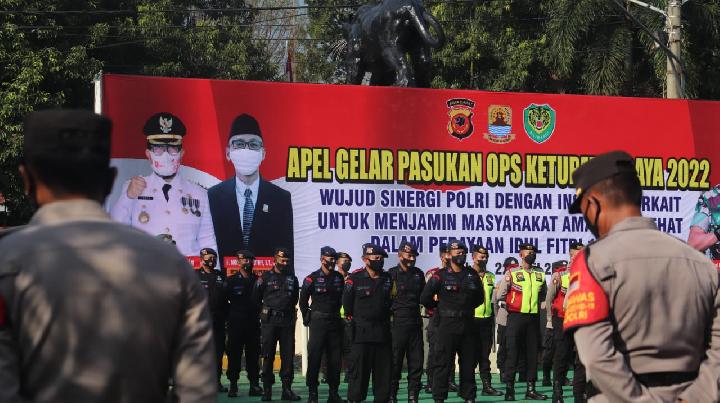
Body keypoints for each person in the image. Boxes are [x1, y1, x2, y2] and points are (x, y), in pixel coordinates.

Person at [0, 109, 216, 403]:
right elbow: (197, 392)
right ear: (112, 179)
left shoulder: (7, 263)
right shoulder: (172, 267)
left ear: (25, 179)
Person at [564, 150, 720, 403]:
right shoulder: (699, 263)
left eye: (582, 209)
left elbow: (595, 356)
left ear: (593, 203)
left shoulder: (593, 261)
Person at [110, 112, 217, 257]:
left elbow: (208, 242)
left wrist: (211, 277)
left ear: (182, 153)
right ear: (148, 154)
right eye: (158, 149)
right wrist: (128, 197)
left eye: (172, 149)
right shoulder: (133, 187)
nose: (166, 155)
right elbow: (115, 230)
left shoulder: (200, 194)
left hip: (186, 274)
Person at [208, 114, 293, 263]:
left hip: (266, 283)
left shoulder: (280, 198)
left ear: (263, 153)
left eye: (253, 144)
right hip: (226, 283)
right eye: (239, 144)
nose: (246, 150)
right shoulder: (213, 196)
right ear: (228, 153)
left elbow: (286, 252)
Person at [420, 240, 483, 403]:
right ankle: (439, 397)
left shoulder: (472, 275)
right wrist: (439, 308)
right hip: (446, 325)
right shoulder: (439, 276)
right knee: (442, 364)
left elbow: (479, 298)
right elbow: (425, 298)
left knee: (468, 364)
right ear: (448, 255)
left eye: (463, 252)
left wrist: (465, 309)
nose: (460, 255)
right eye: (457, 252)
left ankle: (469, 396)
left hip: (467, 324)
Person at [343, 243, 393, 403]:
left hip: (382, 335)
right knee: (358, 378)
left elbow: (393, 301)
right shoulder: (354, 280)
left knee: (383, 379)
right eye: (376, 258)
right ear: (366, 260)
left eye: (381, 258)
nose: (380, 261)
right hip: (361, 336)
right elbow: (347, 306)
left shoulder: (388, 279)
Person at [497, 243, 548, 401]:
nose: (531, 254)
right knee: (512, 353)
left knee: (532, 354)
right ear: (521, 254)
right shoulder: (512, 273)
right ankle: (510, 389)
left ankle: (531, 389)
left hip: (533, 319)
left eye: (533, 252)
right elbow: (501, 295)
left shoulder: (540, 274)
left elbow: (544, 295)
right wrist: (512, 305)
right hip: (515, 318)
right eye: (528, 252)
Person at [253, 247, 301, 401]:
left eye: (287, 260)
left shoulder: (292, 278)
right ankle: (267, 390)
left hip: (287, 322)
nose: (285, 263)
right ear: (275, 258)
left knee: (288, 356)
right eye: (282, 260)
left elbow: (294, 299)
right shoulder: (265, 277)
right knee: (268, 355)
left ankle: (286, 389)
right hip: (270, 322)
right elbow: (255, 299)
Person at [299, 246, 345, 403]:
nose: (332, 262)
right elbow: (302, 301)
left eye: (334, 259)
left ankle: (334, 393)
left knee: (335, 360)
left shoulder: (339, 277)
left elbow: (342, 298)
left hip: (334, 322)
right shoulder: (311, 278)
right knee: (315, 358)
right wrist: (308, 318)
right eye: (329, 259)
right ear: (322, 259)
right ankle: (313, 393)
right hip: (318, 322)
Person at [387, 241, 426, 403]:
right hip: (397, 323)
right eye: (408, 255)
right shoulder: (391, 274)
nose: (411, 259)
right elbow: (386, 299)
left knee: (416, 362)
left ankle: (413, 396)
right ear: (400, 255)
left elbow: (424, 296)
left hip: (415, 322)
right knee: (395, 362)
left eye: (414, 256)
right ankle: (392, 395)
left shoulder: (418, 274)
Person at [225, 250, 263, 398]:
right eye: (245, 260)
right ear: (238, 262)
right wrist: (231, 316)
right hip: (236, 324)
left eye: (250, 260)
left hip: (253, 324)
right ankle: (233, 385)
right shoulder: (231, 281)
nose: (248, 263)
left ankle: (254, 384)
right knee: (234, 354)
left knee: (253, 355)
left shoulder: (258, 280)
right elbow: (223, 302)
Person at [423, 244, 458, 395]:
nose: (448, 257)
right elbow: (427, 295)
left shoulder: (458, 273)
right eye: (445, 254)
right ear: (441, 256)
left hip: (452, 318)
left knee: (451, 350)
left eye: (450, 254)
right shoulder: (432, 273)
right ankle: (431, 381)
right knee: (434, 352)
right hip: (436, 317)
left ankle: (450, 380)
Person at [470, 246, 503, 396]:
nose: (483, 260)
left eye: (486, 257)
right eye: (481, 257)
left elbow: (493, 300)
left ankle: (487, 386)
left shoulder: (490, 276)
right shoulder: (467, 275)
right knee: (469, 357)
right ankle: (468, 387)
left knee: (485, 356)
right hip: (470, 321)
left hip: (486, 321)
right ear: (473, 258)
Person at [196, 247, 229, 392]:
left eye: (214, 258)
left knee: (218, 351)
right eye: (209, 257)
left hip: (218, 320)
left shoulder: (220, 276)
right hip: (200, 321)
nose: (212, 260)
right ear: (202, 259)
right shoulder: (194, 275)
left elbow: (227, 298)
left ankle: (216, 382)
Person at [544, 260, 572, 403]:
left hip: (579, 320)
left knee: (577, 357)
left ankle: (583, 391)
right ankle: (557, 392)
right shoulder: (560, 276)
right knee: (561, 354)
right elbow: (549, 299)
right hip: (560, 319)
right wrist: (550, 319)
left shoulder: (586, 276)